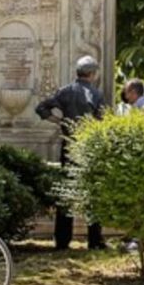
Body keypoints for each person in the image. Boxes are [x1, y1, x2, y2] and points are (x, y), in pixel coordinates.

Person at [35, 55, 106, 250]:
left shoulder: (65, 92)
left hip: (68, 147)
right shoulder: (96, 94)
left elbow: (41, 108)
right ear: (92, 74)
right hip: (88, 148)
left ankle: (62, 240)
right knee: (92, 193)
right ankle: (95, 240)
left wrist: (58, 121)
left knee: (66, 194)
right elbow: (103, 120)